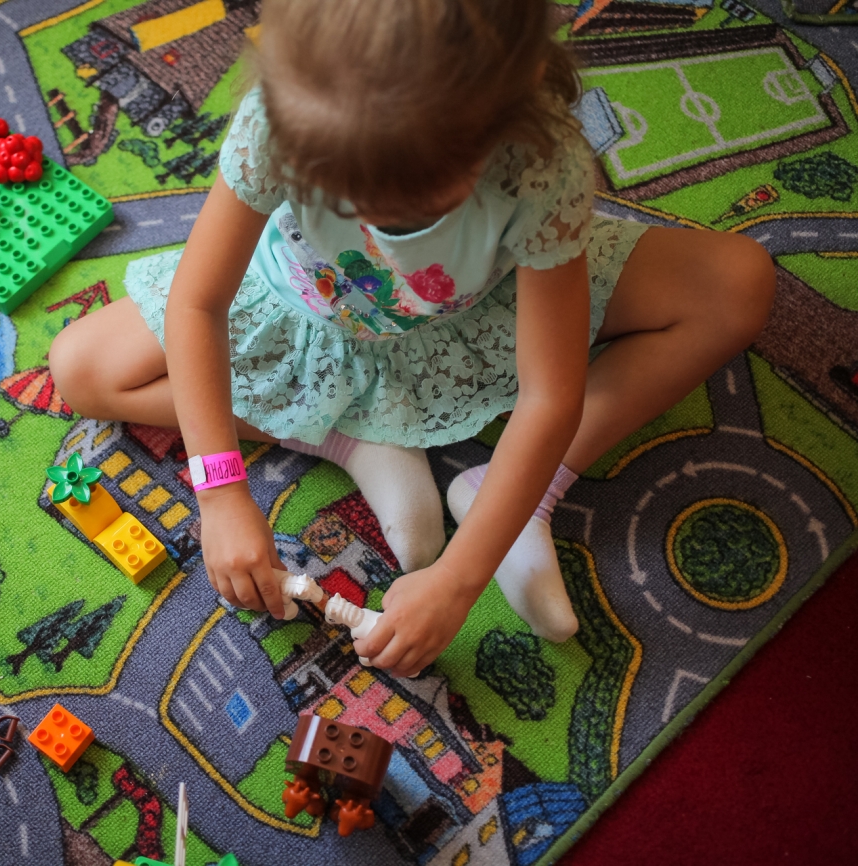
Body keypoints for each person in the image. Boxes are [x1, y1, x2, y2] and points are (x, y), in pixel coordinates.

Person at [49, 0, 776, 677]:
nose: (375, 220)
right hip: (304, 308)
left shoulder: (541, 164)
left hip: (478, 316)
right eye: (345, 188)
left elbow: (550, 395)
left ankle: (515, 491)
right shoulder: (280, 115)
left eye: (415, 204)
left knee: (736, 285)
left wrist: (459, 579)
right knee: (80, 367)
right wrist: (220, 492)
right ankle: (349, 437)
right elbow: (198, 303)